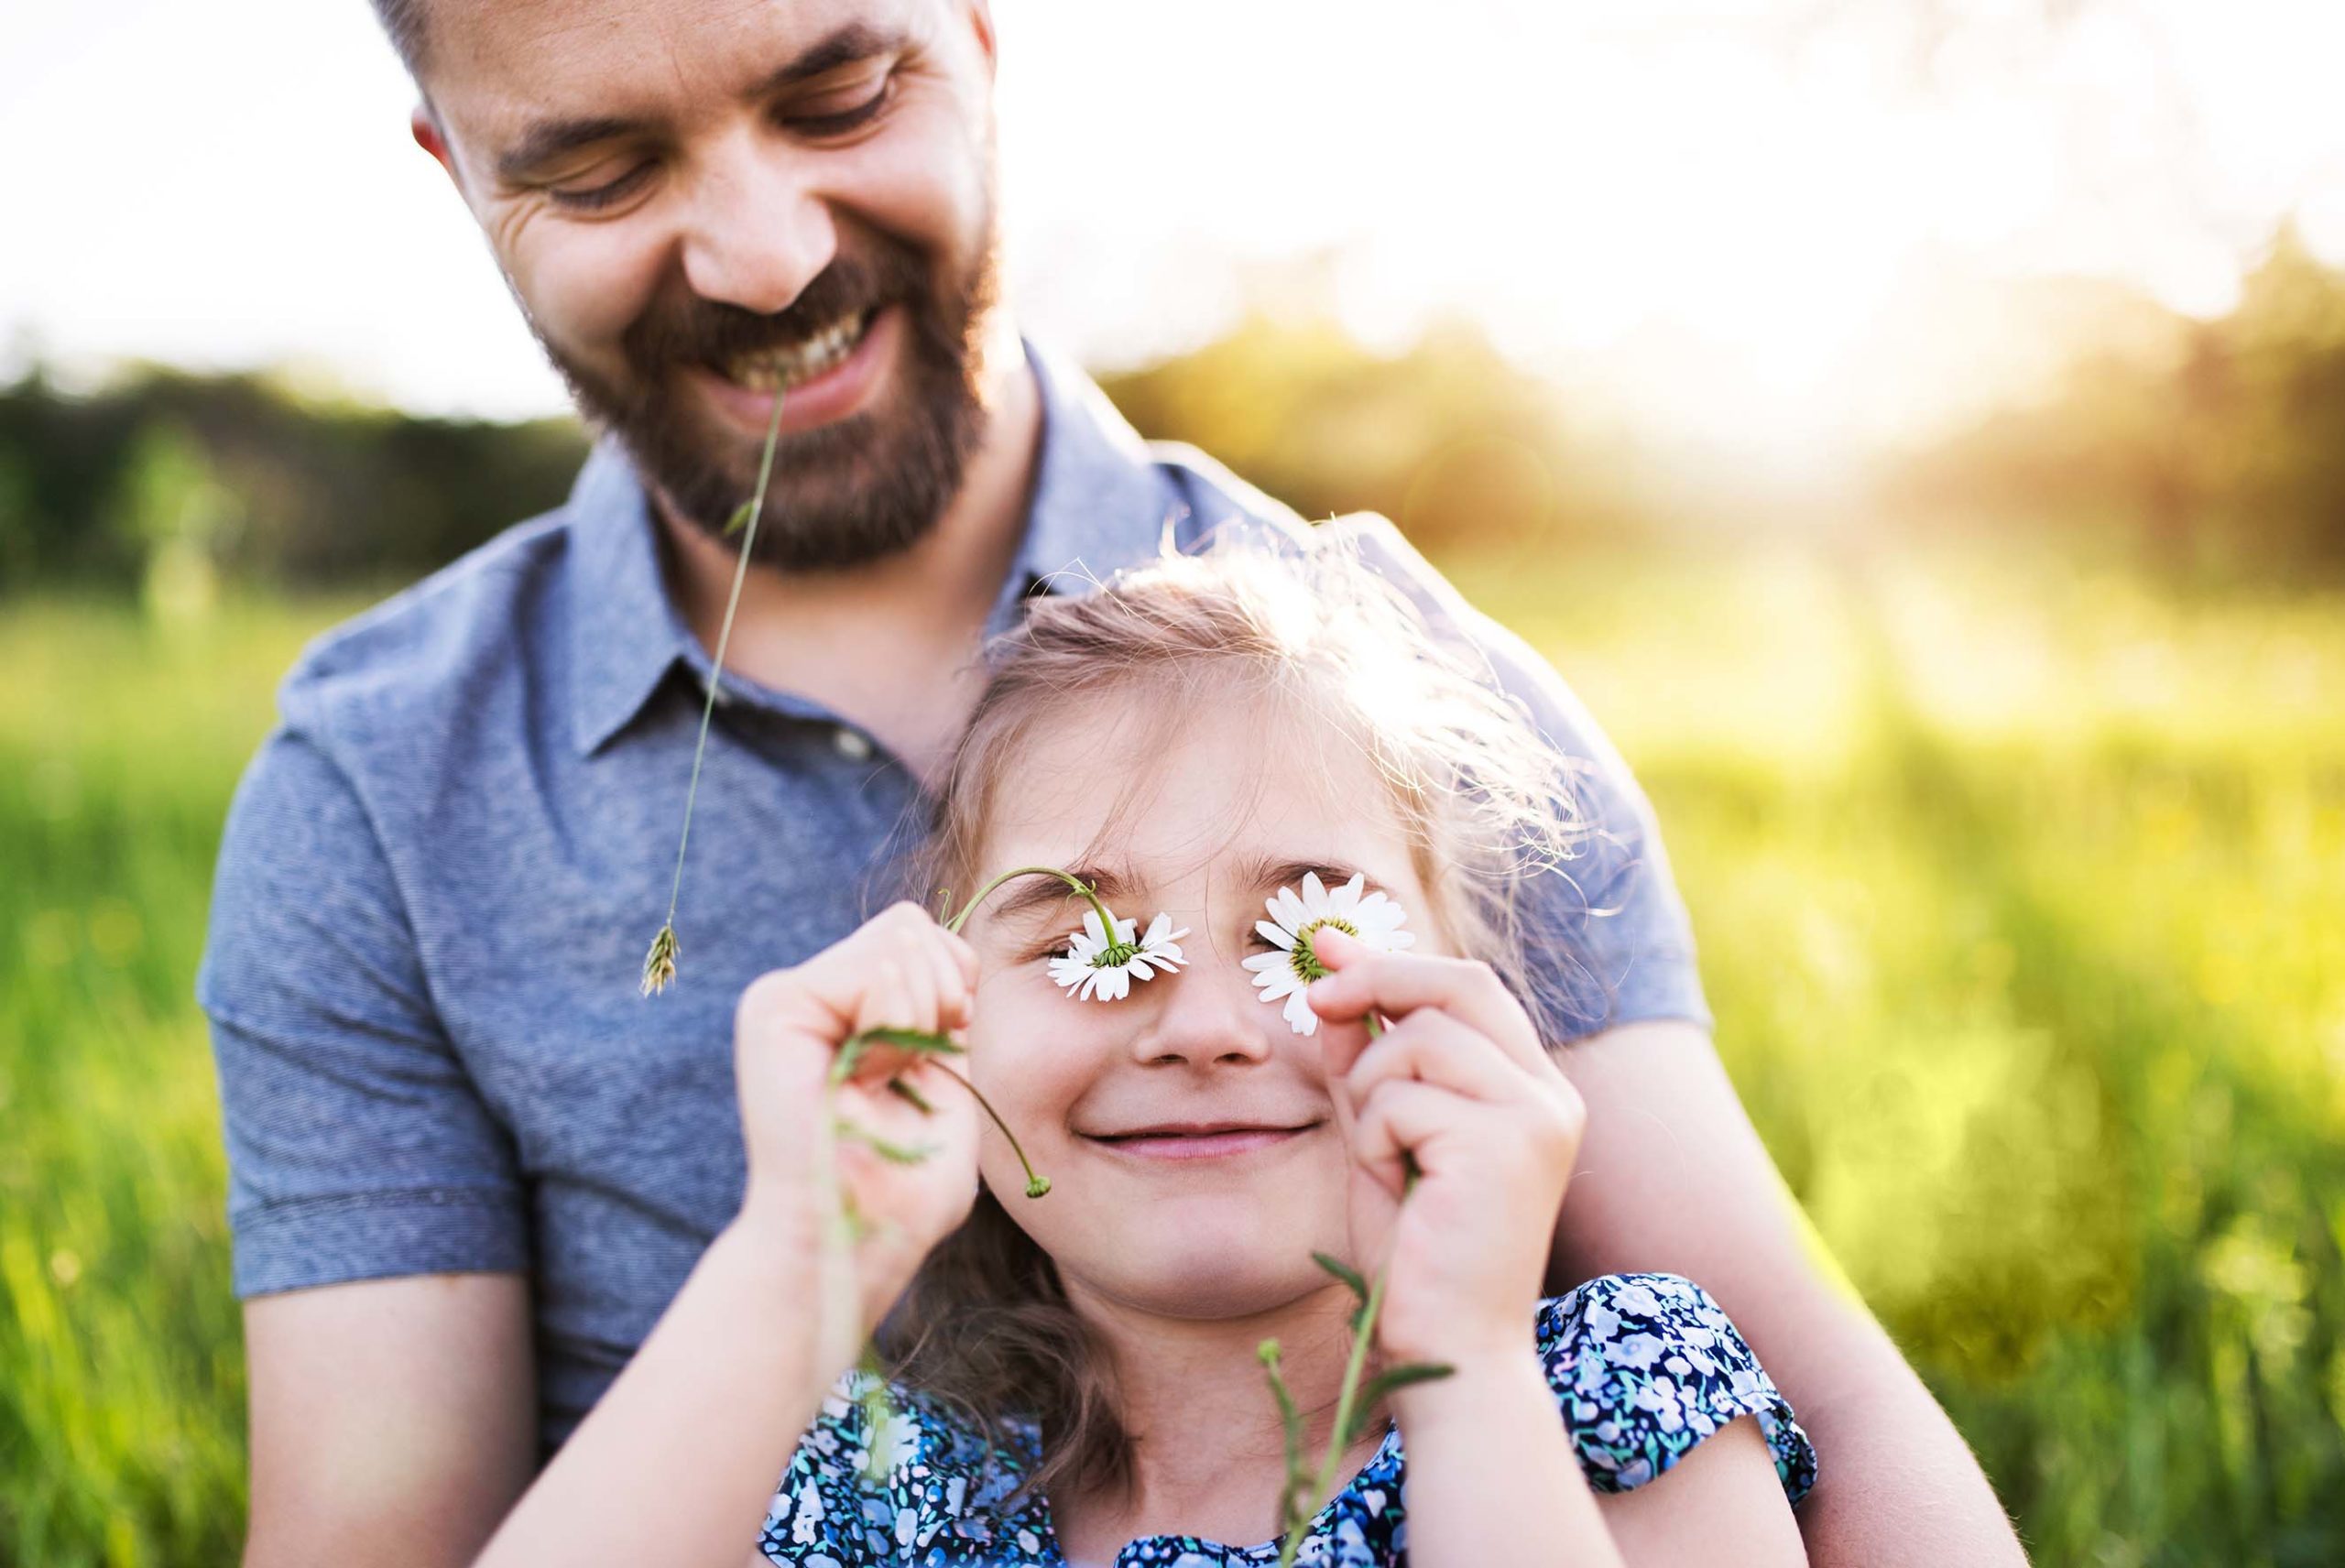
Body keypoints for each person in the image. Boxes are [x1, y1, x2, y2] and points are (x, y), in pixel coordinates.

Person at [200, 1, 2025, 1563]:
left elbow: (1838, 1425)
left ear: (982, 36)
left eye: (839, 96)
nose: (761, 254)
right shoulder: (372, 784)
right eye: (599, 170)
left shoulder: (1394, 681)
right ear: (461, 176)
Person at [471, 542, 1819, 1566]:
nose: (1204, 1028)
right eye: (1081, 943)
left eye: (1306, 935)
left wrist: (1462, 1359)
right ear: (948, 1019)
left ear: (1464, 990)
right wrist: (799, 1257)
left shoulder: (1612, 1397)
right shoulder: (887, 1496)